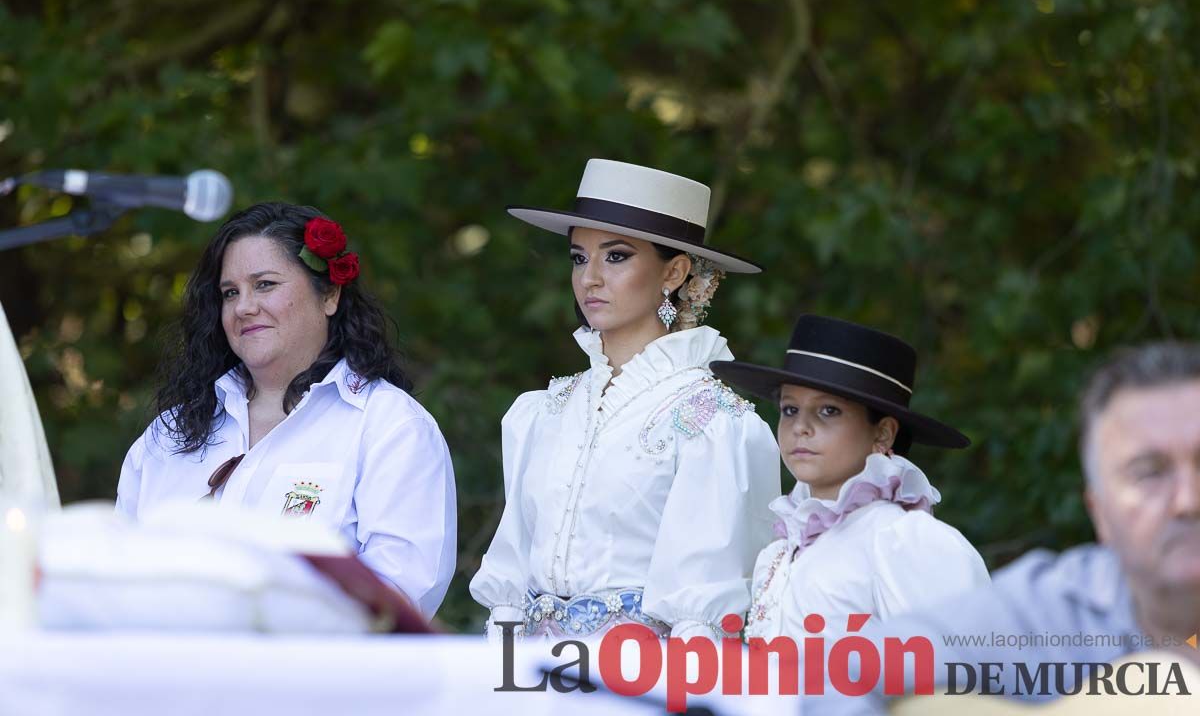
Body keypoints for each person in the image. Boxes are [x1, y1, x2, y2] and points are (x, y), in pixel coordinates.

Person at [469, 159, 781, 641]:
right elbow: (510, 579)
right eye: (578, 257)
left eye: (615, 256)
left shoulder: (712, 422)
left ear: (674, 271)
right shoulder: (545, 411)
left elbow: (707, 603)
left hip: (641, 683)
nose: (590, 277)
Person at [806, 341, 1200, 713]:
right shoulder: (1046, 616)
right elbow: (833, 680)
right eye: (1150, 474)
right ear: (1099, 513)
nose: (1188, 501)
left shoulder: (905, 539)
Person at [115, 202, 456, 619]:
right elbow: (117, 576)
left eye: (265, 285)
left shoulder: (389, 426)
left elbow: (399, 595)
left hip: (310, 678)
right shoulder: (168, 434)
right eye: (230, 293)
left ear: (329, 294)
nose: (243, 307)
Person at [710, 314, 989, 640]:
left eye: (828, 410)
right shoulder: (778, 553)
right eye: (789, 409)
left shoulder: (904, 540)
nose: (801, 427)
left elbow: (957, 671)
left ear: (883, 433)